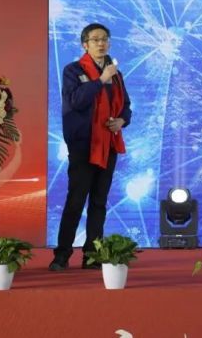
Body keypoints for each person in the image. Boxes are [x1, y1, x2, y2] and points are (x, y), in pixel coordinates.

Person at [49, 23, 131, 271]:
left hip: (108, 143)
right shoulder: (73, 70)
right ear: (85, 44)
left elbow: (126, 106)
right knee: (76, 200)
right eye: (95, 39)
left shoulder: (116, 74)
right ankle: (62, 255)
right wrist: (100, 80)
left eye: (105, 39)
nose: (101, 43)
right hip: (83, 145)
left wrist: (122, 121)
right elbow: (76, 101)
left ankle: (92, 255)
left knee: (99, 201)